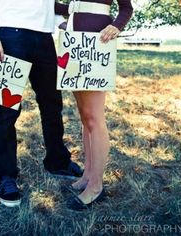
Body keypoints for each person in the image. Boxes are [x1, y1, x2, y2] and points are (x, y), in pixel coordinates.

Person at [0, 0, 83, 207]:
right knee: (6, 109)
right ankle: (5, 176)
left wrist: (61, 22)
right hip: (9, 33)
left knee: (52, 104)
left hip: (44, 37)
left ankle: (57, 162)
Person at [59, 0, 133, 210]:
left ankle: (96, 186)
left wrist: (116, 26)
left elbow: (126, 8)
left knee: (94, 117)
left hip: (97, 42)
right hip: (74, 42)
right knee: (84, 115)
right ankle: (88, 175)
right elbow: (68, 7)